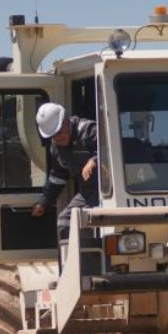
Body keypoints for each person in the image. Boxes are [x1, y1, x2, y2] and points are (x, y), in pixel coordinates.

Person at [29, 102, 99, 240]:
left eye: (59, 132)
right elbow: (58, 175)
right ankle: (72, 260)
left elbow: (113, 149)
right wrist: (44, 201)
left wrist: (94, 160)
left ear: (66, 121)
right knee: (65, 222)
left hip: (109, 191)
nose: (58, 138)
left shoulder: (89, 130)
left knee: (97, 221)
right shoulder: (56, 149)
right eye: (53, 136)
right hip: (88, 192)